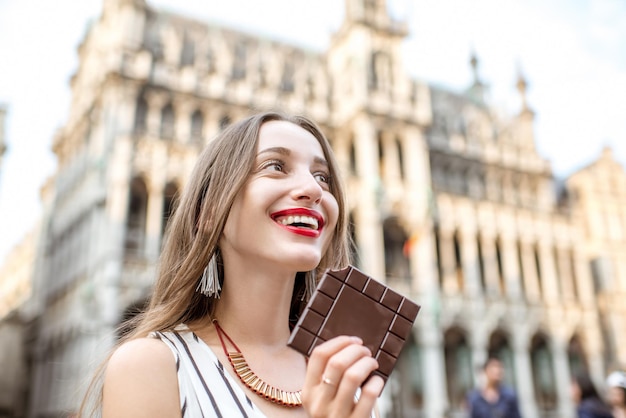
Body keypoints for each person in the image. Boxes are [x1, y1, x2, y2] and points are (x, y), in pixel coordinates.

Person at [80, 111, 384, 417]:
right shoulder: (150, 367)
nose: (315, 189)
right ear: (209, 213)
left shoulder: (345, 370)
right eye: (275, 166)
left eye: (323, 177)